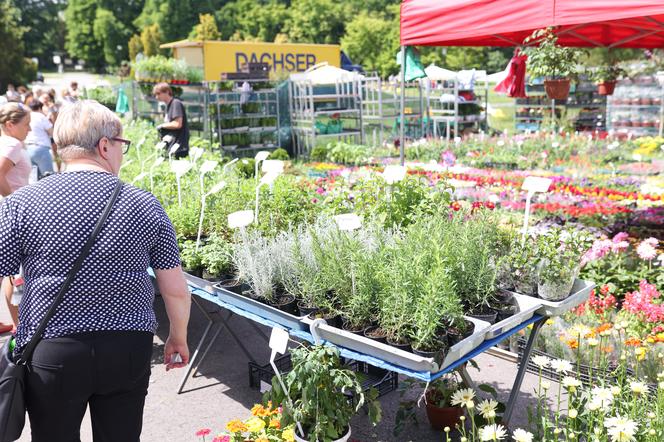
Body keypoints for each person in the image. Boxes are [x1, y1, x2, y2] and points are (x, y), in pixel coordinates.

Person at [0, 100, 191, 441]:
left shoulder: (21, 203)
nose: (122, 154)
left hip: (53, 348)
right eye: (122, 146)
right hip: (127, 346)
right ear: (105, 145)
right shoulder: (144, 203)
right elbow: (174, 287)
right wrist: (177, 336)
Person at [0, 102, 32, 333]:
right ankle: (18, 326)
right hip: (11, 211)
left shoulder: (4, 142)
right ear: (10, 125)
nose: (29, 129)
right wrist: (12, 200)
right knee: (12, 272)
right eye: (26, 124)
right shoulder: (12, 143)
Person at [153, 82, 189, 158]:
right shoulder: (168, 106)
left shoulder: (176, 103)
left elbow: (177, 124)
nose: (157, 97)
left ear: (167, 92)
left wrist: (162, 126)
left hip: (179, 147)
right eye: (155, 94)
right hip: (172, 146)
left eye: (158, 94)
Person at [24, 99, 54, 177]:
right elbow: (51, 132)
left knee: (34, 178)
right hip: (41, 148)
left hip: (28, 148)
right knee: (48, 177)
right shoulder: (41, 116)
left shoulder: (27, 116)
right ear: (40, 108)